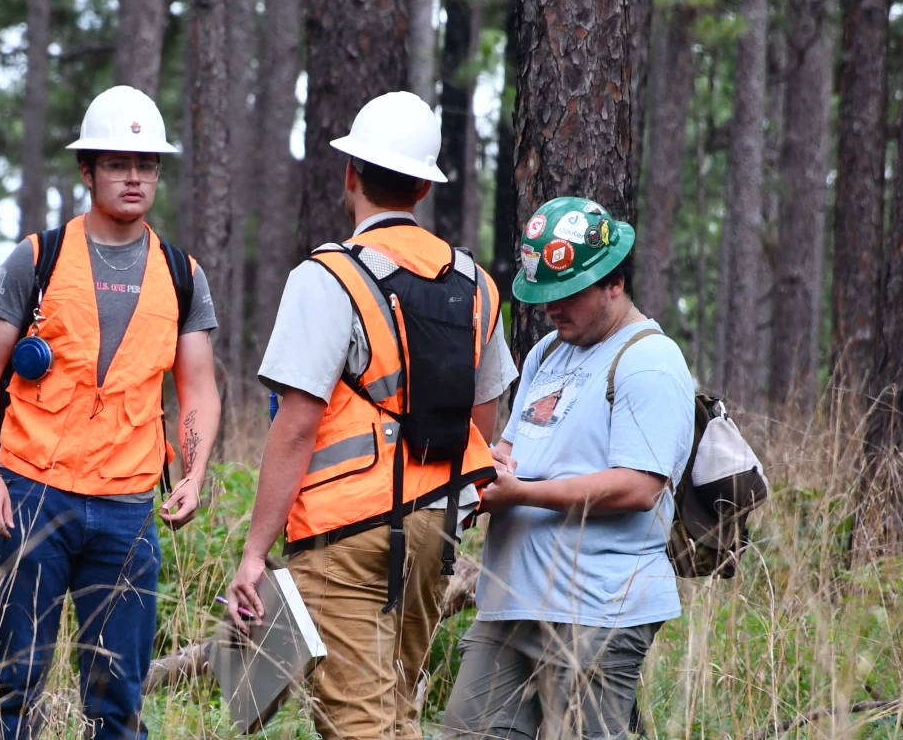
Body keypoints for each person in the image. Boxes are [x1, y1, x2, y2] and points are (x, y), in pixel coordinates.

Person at [224, 91, 516, 740]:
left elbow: (296, 424)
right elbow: (483, 418)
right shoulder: (476, 283)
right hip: (434, 530)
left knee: (358, 721)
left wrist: (254, 552)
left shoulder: (326, 277)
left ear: (349, 173)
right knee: (393, 708)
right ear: (421, 184)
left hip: (343, 532)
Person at [0, 84, 222, 740]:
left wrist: (191, 475)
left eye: (146, 164)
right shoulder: (36, 257)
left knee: (117, 700)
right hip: (31, 495)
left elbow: (199, 388)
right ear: (87, 170)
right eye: (115, 163)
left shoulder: (181, 273)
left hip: (128, 509)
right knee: (14, 687)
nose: (133, 177)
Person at [440, 196, 695, 740]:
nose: (552, 308)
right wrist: (496, 465)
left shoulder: (650, 361)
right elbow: (512, 446)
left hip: (596, 611)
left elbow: (639, 487)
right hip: (511, 602)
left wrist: (522, 494)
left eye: (567, 294)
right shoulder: (546, 354)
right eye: (543, 296)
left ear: (614, 283)